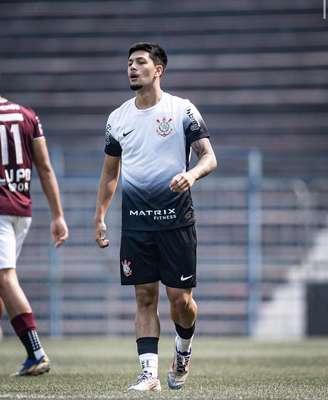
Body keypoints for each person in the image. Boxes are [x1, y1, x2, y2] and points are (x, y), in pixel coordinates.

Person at [95, 42, 217, 392]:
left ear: (158, 70)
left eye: (140, 62)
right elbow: (109, 174)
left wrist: (192, 175)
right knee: (144, 297)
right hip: (136, 224)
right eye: (129, 63)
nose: (132, 68)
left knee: (181, 302)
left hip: (176, 222)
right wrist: (99, 216)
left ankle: (183, 350)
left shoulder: (182, 110)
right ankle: (149, 375)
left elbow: (209, 157)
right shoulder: (117, 119)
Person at [0, 96, 69, 376]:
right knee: (2, 282)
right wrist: (58, 215)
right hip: (22, 211)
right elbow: (45, 167)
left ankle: (36, 353)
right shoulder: (28, 115)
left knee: (5, 277)